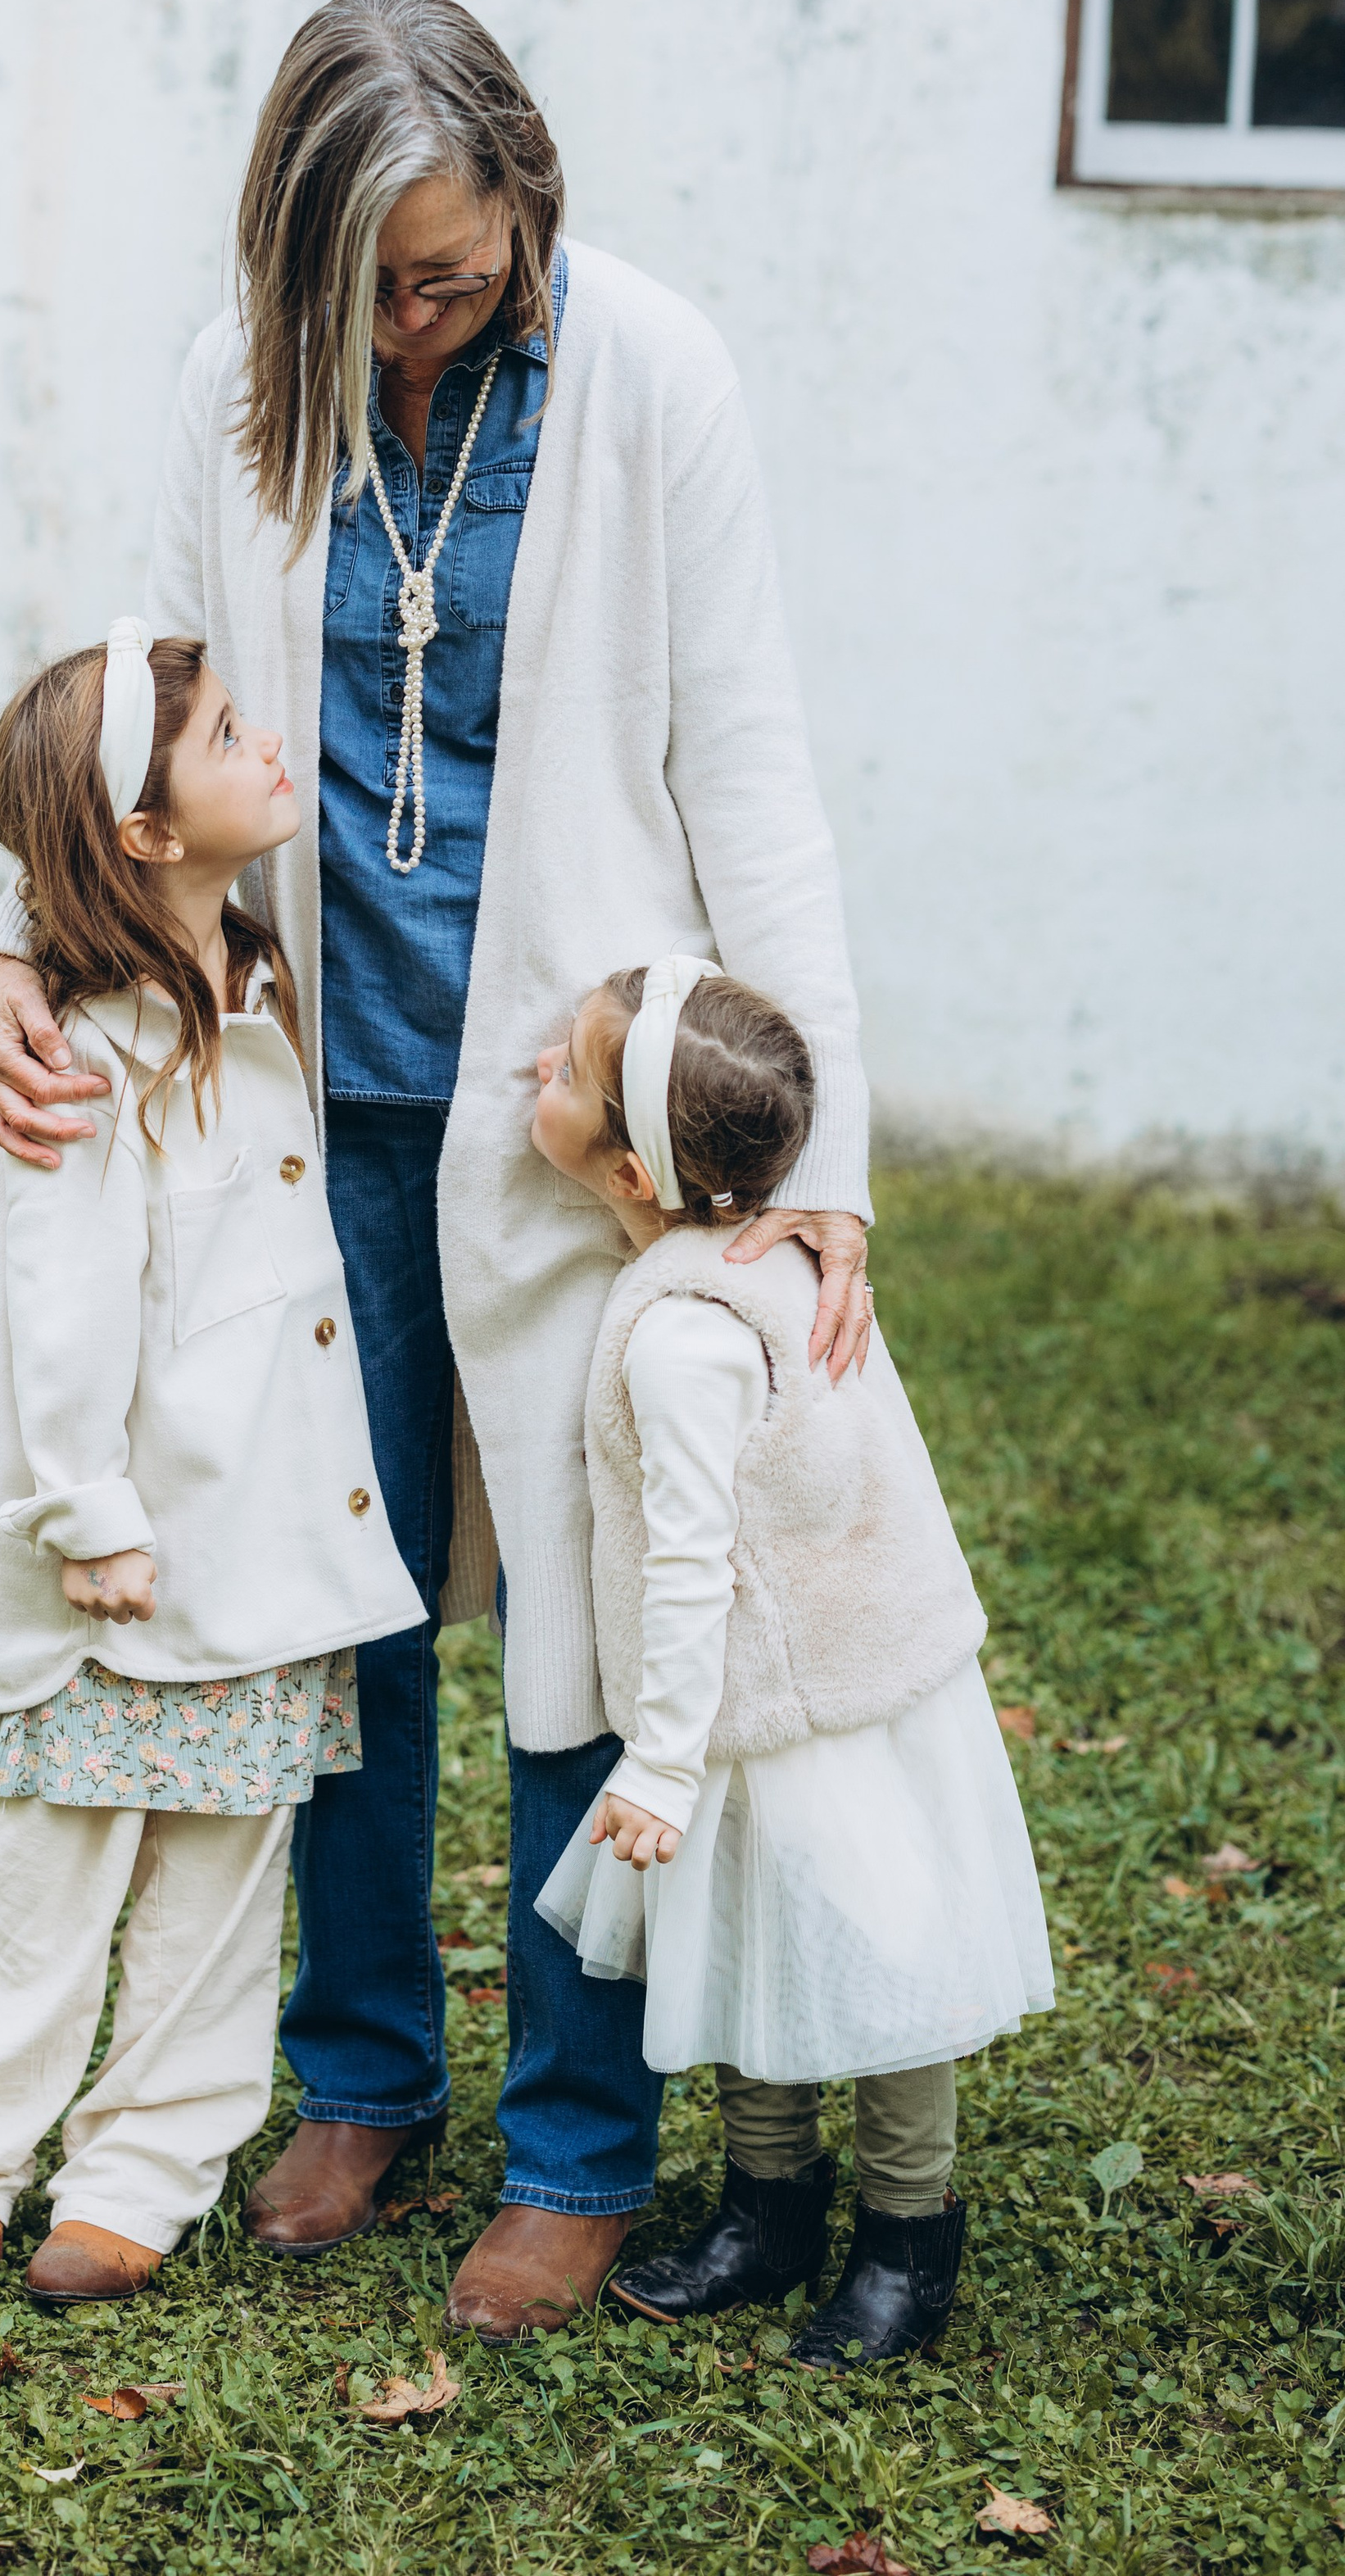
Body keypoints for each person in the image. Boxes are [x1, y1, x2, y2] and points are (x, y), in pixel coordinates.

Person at [0, 0, 877, 2344]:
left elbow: (747, 760)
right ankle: (358, 2076)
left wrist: (821, 1164)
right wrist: (11, 953)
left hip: (582, 1135)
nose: (403, 328)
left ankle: (577, 2144)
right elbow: (140, 719)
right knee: (325, 1609)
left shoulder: (651, 375)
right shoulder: (237, 379)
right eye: (360, 288)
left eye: (447, 282)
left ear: (529, 211)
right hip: (296, 1115)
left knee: (585, 1620)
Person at [0, 622, 424, 2309]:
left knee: (219, 1884)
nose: (272, 745)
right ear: (144, 832)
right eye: (228, 737)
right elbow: (57, 1307)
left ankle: (141, 2175)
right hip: (126, 1553)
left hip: (266, 1535)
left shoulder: (257, 970)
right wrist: (87, 1515)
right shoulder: (80, 1047)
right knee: (42, 1866)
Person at [530, 955, 1053, 2365]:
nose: (541, 1072)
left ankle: (907, 2231)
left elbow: (692, 1560)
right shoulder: (773, 1255)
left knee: (876, 1968)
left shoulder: (686, 1335)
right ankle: (769, 2208)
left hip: (804, 1704)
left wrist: (658, 1761)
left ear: (629, 1170)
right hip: (798, 1688)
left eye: (567, 1071)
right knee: (748, 1947)